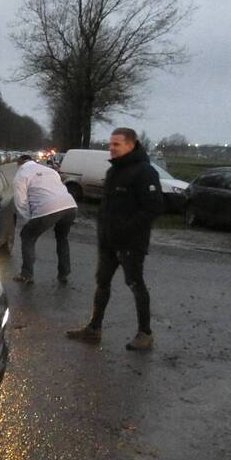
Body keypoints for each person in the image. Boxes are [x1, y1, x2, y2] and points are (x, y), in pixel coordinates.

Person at [66, 128, 165, 351]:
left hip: (131, 243)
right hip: (108, 241)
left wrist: (127, 229)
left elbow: (154, 207)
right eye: (110, 144)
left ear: (131, 145)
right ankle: (94, 328)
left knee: (135, 284)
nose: (112, 148)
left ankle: (145, 333)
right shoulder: (114, 171)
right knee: (102, 283)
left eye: (117, 144)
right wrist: (104, 230)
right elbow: (108, 206)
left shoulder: (144, 172)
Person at [12, 154, 78, 284]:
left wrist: (29, 218)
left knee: (27, 236)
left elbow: (21, 201)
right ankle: (64, 273)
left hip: (47, 208)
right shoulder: (50, 171)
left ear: (19, 164)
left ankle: (27, 274)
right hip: (70, 206)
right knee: (62, 238)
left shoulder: (21, 174)